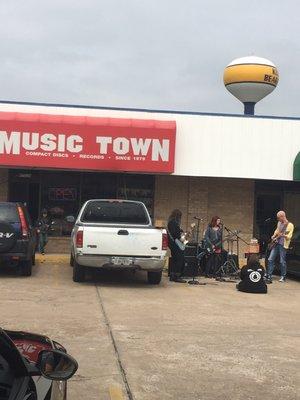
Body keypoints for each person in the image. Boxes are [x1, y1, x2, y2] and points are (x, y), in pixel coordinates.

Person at [266, 211, 294, 283]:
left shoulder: (290, 225)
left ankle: (283, 276)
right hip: (276, 243)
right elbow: (277, 231)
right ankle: (269, 275)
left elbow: (289, 236)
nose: (278, 219)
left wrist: (284, 235)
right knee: (270, 259)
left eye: (278, 218)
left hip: (283, 245)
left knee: (282, 261)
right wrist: (274, 236)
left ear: (282, 216)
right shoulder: (279, 223)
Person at [167, 209, 186, 283]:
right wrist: (182, 237)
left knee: (174, 259)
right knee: (179, 259)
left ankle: (172, 276)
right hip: (176, 243)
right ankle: (177, 276)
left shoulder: (170, 222)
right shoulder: (174, 223)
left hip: (172, 243)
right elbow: (176, 235)